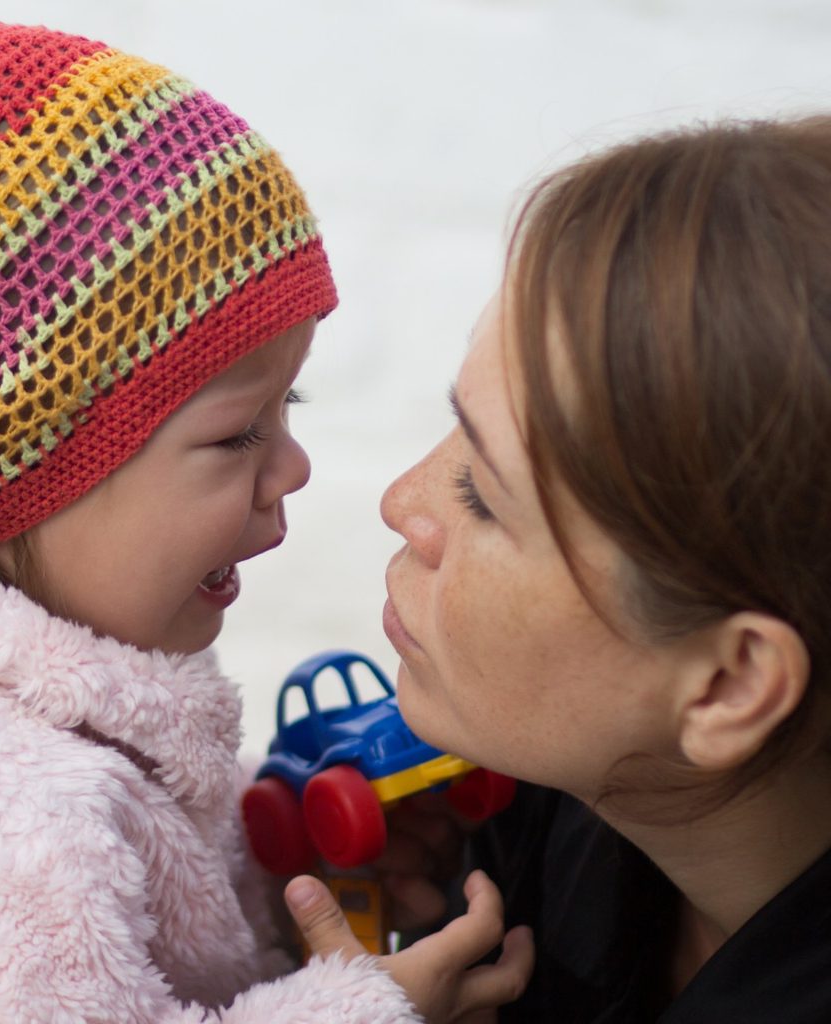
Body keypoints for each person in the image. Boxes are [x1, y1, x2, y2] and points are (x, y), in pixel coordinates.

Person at [0, 20, 533, 1023]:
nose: (295, 466)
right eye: (239, 435)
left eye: (296, 409)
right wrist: (363, 1014)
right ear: (15, 473)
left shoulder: (13, 710)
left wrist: (274, 879)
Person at [298, 116, 831, 1021]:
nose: (402, 501)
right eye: (456, 424)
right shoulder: (542, 814)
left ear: (729, 685)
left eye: (483, 496)